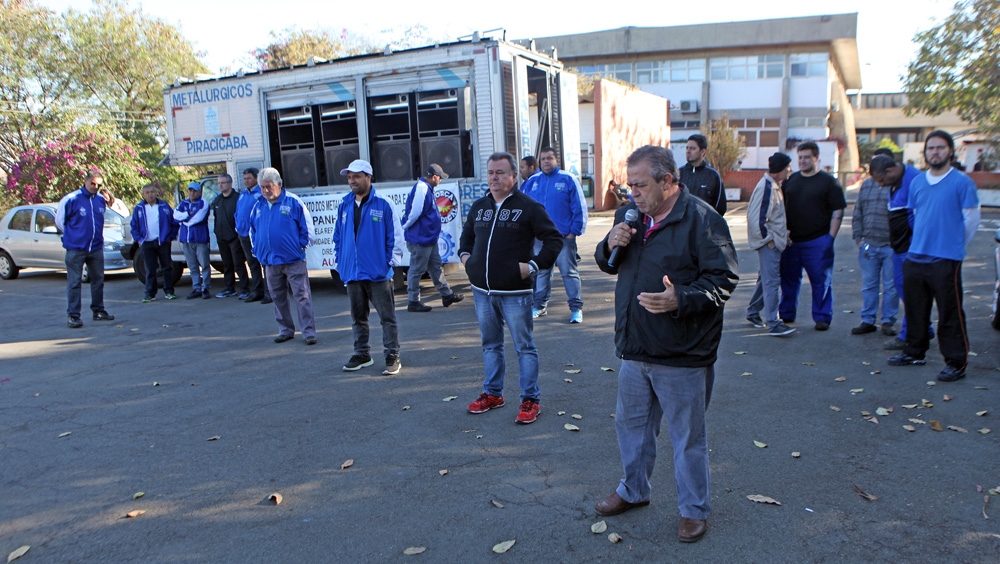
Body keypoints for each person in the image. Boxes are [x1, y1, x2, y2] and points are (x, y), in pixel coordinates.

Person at [593, 145, 738, 544]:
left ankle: (693, 510)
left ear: (668, 181)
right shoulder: (632, 217)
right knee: (631, 428)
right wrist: (610, 242)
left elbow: (723, 280)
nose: (632, 193)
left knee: (686, 438)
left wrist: (681, 299)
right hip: (636, 347)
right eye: (629, 185)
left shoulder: (702, 220)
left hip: (682, 354)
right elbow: (607, 263)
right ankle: (633, 490)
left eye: (639, 185)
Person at [460, 152, 563, 425]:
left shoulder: (528, 207)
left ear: (514, 176)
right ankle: (493, 394)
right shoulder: (479, 206)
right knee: (490, 345)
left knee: (524, 347)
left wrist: (532, 266)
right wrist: (466, 259)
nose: (494, 177)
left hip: (515, 293)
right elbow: (467, 236)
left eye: (501, 172)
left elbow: (553, 239)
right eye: (491, 172)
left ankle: (531, 399)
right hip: (482, 291)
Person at [888, 131, 980, 382]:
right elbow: (916, 215)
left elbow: (971, 220)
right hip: (916, 256)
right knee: (916, 309)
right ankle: (914, 352)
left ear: (950, 151)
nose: (935, 152)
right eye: (930, 148)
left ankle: (955, 362)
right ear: (925, 153)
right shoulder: (917, 182)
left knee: (950, 313)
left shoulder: (962, 183)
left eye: (940, 148)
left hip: (946, 259)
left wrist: (953, 245)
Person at [333, 159, 404, 374]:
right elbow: (338, 237)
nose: (352, 180)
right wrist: (341, 261)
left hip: (378, 273)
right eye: (349, 177)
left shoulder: (383, 203)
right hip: (352, 273)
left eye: (356, 176)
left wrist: (387, 264)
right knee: (358, 318)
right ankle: (362, 353)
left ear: (368, 177)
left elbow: (396, 236)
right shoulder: (344, 204)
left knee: (387, 318)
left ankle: (392, 355)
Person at [779, 141, 847, 331]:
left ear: (816, 158)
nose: (803, 161)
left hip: (818, 241)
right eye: (800, 157)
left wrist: (830, 239)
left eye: (807, 157)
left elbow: (837, 210)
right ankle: (786, 313)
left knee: (821, 282)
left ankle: (822, 317)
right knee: (788, 280)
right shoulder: (791, 181)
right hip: (792, 242)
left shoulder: (828, 182)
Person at [249, 168, 318, 345]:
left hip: (293, 260)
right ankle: (285, 330)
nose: (265, 191)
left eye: (269, 186)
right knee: (277, 297)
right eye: (262, 187)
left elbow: (308, 230)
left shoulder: (294, 202)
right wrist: (257, 249)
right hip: (270, 262)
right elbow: (253, 231)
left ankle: (308, 332)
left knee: (302, 297)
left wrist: (299, 247)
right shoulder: (258, 206)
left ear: (279, 184)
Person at [520, 147, 588, 323]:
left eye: (549, 158)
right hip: (540, 239)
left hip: (564, 239)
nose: (546, 161)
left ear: (556, 160)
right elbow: (523, 208)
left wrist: (573, 233)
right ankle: (540, 306)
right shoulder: (532, 182)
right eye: (543, 159)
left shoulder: (568, 179)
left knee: (569, 273)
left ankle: (576, 309)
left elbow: (579, 208)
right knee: (542, 272)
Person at [874, 152, 931, 350]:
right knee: (902, 288)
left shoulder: (914, 180)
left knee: (911, 292)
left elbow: (919, 217)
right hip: (899, 247)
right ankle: (925, 327)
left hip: (910, 248)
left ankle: (909, 334)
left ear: (890, 171)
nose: (881, 185)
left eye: (881, 179)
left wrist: (917, 246)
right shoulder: (895, 181)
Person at [401, 163, 464, 312]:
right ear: (433, 177)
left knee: (435, 266)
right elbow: (415, 212)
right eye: (440, 178)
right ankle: (413, 301)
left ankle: (446, 295)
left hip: (428, 238)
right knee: (417, 270)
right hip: (421, 239)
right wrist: (407, 225)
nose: (440, 181)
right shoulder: (422, 188)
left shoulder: (425, 188)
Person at [55, 171, 115, 328]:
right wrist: (73, 236)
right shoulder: (71, 199)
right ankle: (73, 315)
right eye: (93, 183)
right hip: (76, 249)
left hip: (95, 248)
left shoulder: (100, 200)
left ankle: (98, 310)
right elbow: (60, 221)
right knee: (74, 282)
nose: (95, 187)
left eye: (99, 185)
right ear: (86, 181)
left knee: (98, 280)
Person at [850, 153, 900, 336]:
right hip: (868, 245)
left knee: (891, 286)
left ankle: (888, 321)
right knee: (869, 285)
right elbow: (858, 211)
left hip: (890, 246)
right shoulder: (867, 185)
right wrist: (858, 239)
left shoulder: (897, 186)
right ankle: (867, 320)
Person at [745, 152, 794, 336]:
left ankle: (753, 312)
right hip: (769, 244)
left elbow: (774, 217)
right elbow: (757, 219)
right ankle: (774, 322)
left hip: (773, 241)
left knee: (764, 279)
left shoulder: (773, 185)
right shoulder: (767, 187)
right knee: (771, 281)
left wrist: (782, 235)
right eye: (787, 167)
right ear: (780, 169)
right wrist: (770, 240)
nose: (789, 171)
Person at [130, 184, 177, 303]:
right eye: (147, 192)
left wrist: (171, 236)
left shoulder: (164, 206)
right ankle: (150, 293)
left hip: (163, 241)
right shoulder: (139, 208)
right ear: (143, 194)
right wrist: (139, 239)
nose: (150, 194)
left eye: (152, 192)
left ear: (156, 193)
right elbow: (134, 226)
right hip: (147, 242)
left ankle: (169, 291)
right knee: (150, 269)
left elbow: (174, 222)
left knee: (166, 267)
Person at [235, 167, 271, 303]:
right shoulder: (243, 194)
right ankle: (257, 291)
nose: (246, 181)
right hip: (243, 234)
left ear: (256, 178)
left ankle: (269, 292)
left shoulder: (261, 192)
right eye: (244, 179)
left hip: (257, 235)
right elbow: (238, 212)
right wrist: (237, 225)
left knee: (264, 263)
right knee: (252, 264)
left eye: (249, 178)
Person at [211, 174, 248, 299]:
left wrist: (238, 235)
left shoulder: (238, 198)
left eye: (223, 182)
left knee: (239, 264)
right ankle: (229, 288)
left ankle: (245, 289)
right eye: (219, 183)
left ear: (230, 183)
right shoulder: (217, 200)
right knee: (227, 264)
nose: (220, 185)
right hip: (221, 238)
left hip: (234, 238)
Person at [175, 182, 212, 299]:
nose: (192, 193)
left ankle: (205, 287)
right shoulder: (183, 203)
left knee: (204, 264)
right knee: (192, 266)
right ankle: (196, 288)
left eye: (195, 191)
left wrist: (183, 218)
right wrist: (187, 214)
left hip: (200, 239)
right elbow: (175, 216)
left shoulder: (203, 203)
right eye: (190, 190)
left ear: (200, 192)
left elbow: (196, 219)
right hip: (186, 240)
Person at [679, 134, 727, 217]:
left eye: (692, 148)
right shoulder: (678, 173)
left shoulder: (713, 175)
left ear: (703, 151)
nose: (688, 151)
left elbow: (720, 207)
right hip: (682, 226)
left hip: (704, 227)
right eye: (687, 148)